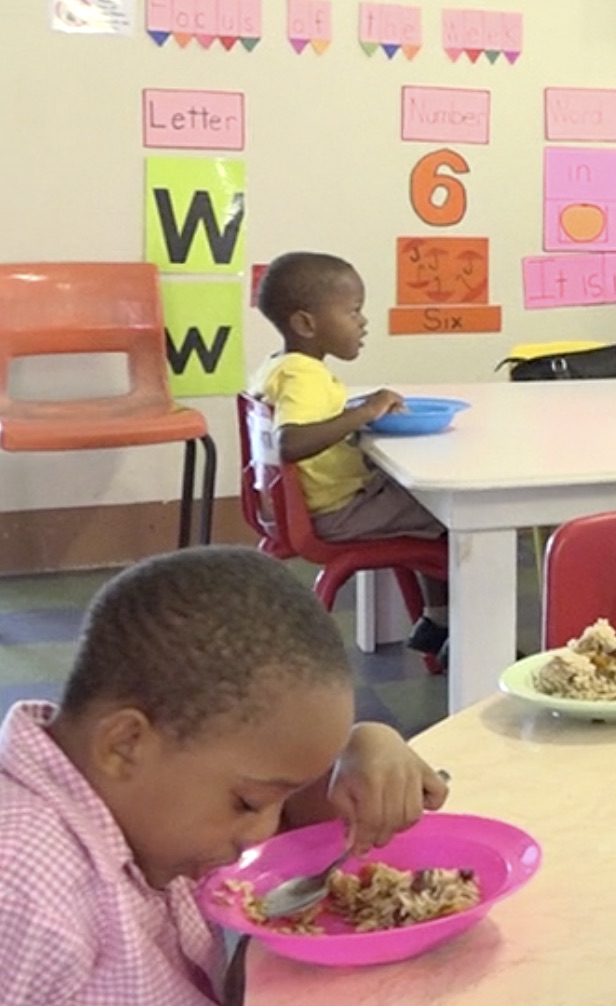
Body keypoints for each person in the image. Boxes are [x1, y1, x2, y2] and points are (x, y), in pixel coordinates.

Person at [0, 546, 447, 1004]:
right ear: (124, 745)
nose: (262, 835)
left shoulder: (144, 807)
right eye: (248, 804)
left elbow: (300, 809)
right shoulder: (23, 886)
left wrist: (363, 748)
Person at [250, 251, 450, 666]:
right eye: (353, 311)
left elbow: (305, 419)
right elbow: (291, 441)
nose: (362, 322)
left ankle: (437, 621)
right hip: (338, 512)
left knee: (422, 501)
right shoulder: (304, 375)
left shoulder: (279, 368)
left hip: (307, 508)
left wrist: (357, 406)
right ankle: (454, 630)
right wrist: (362, 412)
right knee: (451, 513)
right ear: (306, 323)